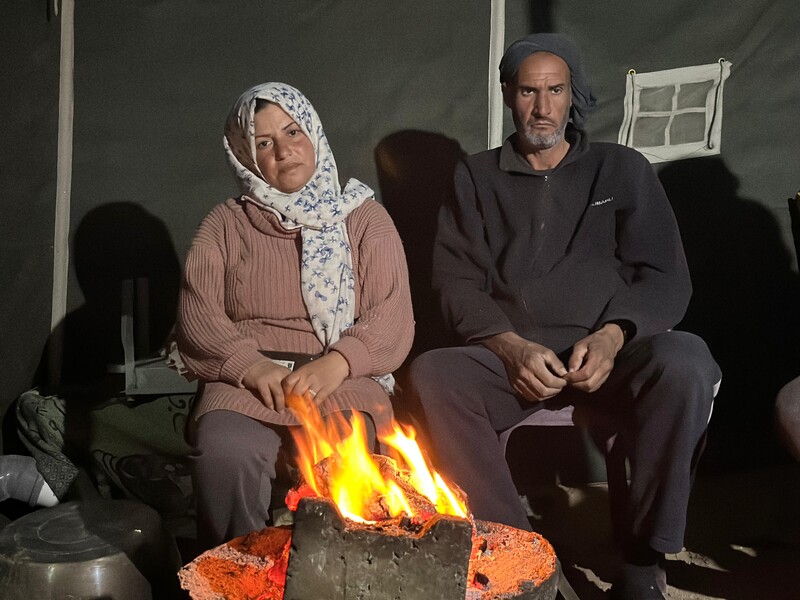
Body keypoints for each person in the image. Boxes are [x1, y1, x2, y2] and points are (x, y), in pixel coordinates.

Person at [406, 34, 721, 600]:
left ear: (572, 94)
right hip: (516, 363)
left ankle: (642, 561)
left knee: (687, 361)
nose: (543, 107)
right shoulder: (474, 177)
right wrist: (510, 347)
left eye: (555, 90)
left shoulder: (620, 168)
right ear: (508, 94)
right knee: (434, 374)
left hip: (611, 357)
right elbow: (453, 282)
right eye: (529, 91)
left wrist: (612, 335)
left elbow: (666, 276)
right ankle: (520, 559)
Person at [176, 82, 413, 550]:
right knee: (226, 451)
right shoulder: (225, 223)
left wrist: (341, 361)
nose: (284, 151)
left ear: (315, 135)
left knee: (351, 452)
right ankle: (236, 573)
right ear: (246, 155)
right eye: (264, 143)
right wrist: (248, 365)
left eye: (292, 132)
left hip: (339, 374)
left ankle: (345, 573)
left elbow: (393, 315)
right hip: (249, 380)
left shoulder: (364, 219)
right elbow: (197, 313)